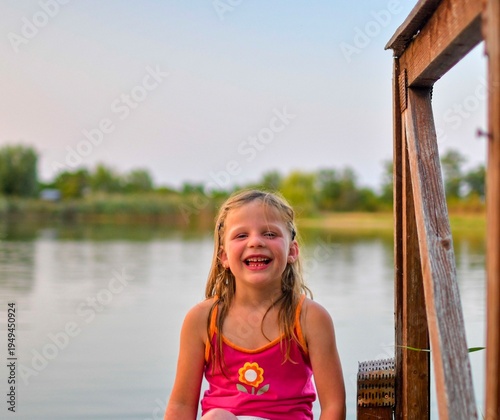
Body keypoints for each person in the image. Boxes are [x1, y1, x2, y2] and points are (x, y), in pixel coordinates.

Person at [164, 189, 345, 419]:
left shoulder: (310, 318)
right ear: (224, 257)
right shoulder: (202, 319)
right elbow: (180, 406)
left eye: (270, 234)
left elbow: (333, 406)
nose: (256, 242)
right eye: (241, 236)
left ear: (292, 251)